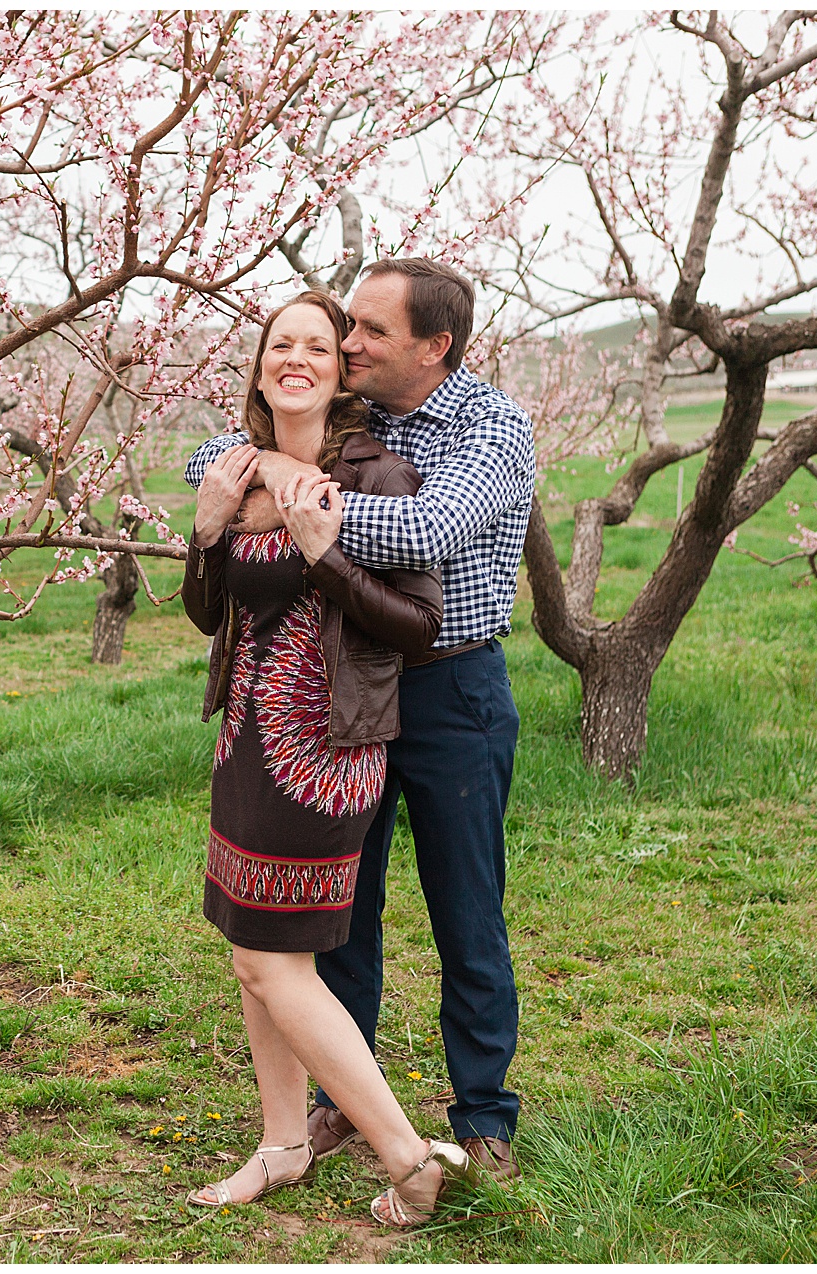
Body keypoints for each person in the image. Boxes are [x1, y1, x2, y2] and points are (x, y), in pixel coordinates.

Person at [183, 259, 535, 1182]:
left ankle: (485, 1116)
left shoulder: (490, 427)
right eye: (351, 329)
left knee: (467, 908)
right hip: (347, 691)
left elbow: (424, 536)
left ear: (435, 346)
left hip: (452, 688)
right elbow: (209, 460)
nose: (348, 344)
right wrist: (259, 477)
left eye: (371, 331)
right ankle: (344, 1099)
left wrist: (298, 509)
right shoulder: (360, 411)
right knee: (342, 910)